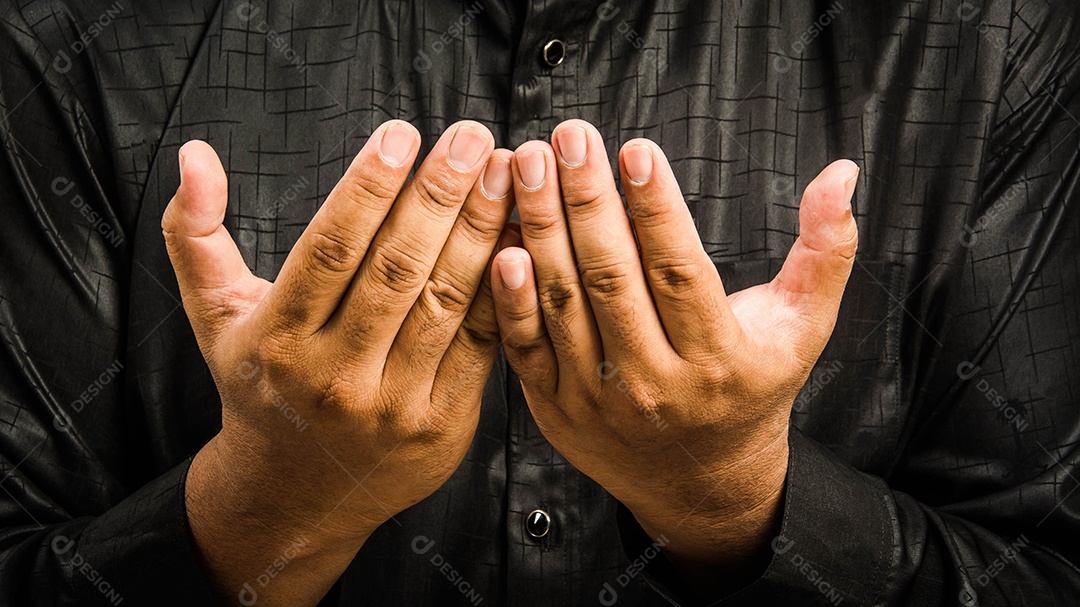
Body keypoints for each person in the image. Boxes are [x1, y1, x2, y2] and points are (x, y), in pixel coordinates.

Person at [0, 1, 1077, 606]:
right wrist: (267, 507)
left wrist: (733, 500)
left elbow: (1042, 570)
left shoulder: (992, 35)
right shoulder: (73, 33)